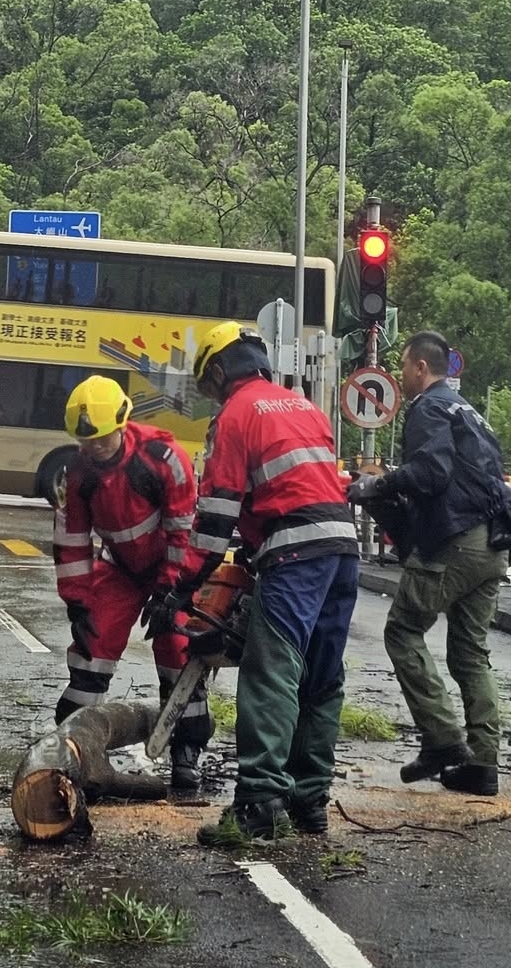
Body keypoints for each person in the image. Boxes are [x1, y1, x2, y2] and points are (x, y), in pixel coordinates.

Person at [156, 322, 358, 847]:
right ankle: (309, 801)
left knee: (271, 672)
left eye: (210, 385)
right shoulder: (303, 407)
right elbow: (302, 486)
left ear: (220, 371)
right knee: (321, 675)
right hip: (341, 550)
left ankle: (258, 805)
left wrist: (182, 588)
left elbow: (215, 515)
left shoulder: (236, 415)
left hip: (294, 555)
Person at [346, 331, 511, 797]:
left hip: (454, 542)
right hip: (492, 546)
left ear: (420, 368)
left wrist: (378, 486)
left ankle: (443, 740)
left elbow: (431, 473)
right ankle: (483, 764)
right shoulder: (472, 413)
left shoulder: (427, 409)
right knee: (471, 653)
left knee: (402, 631)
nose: (401, 376)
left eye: (403, 367)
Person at [49, 374, 211, 793]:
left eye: (102, 439)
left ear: (122, 424)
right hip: (120, 567)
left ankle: (186, 750)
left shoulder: (162, 458)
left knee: (178, 650)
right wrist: (77, 603)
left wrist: (170, 591)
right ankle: (69, 746)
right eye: (86, 441)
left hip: (169, 567)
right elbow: (71, 540)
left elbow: (183, 530)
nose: (94, 449)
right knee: (91, 647)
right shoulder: (78, 472)